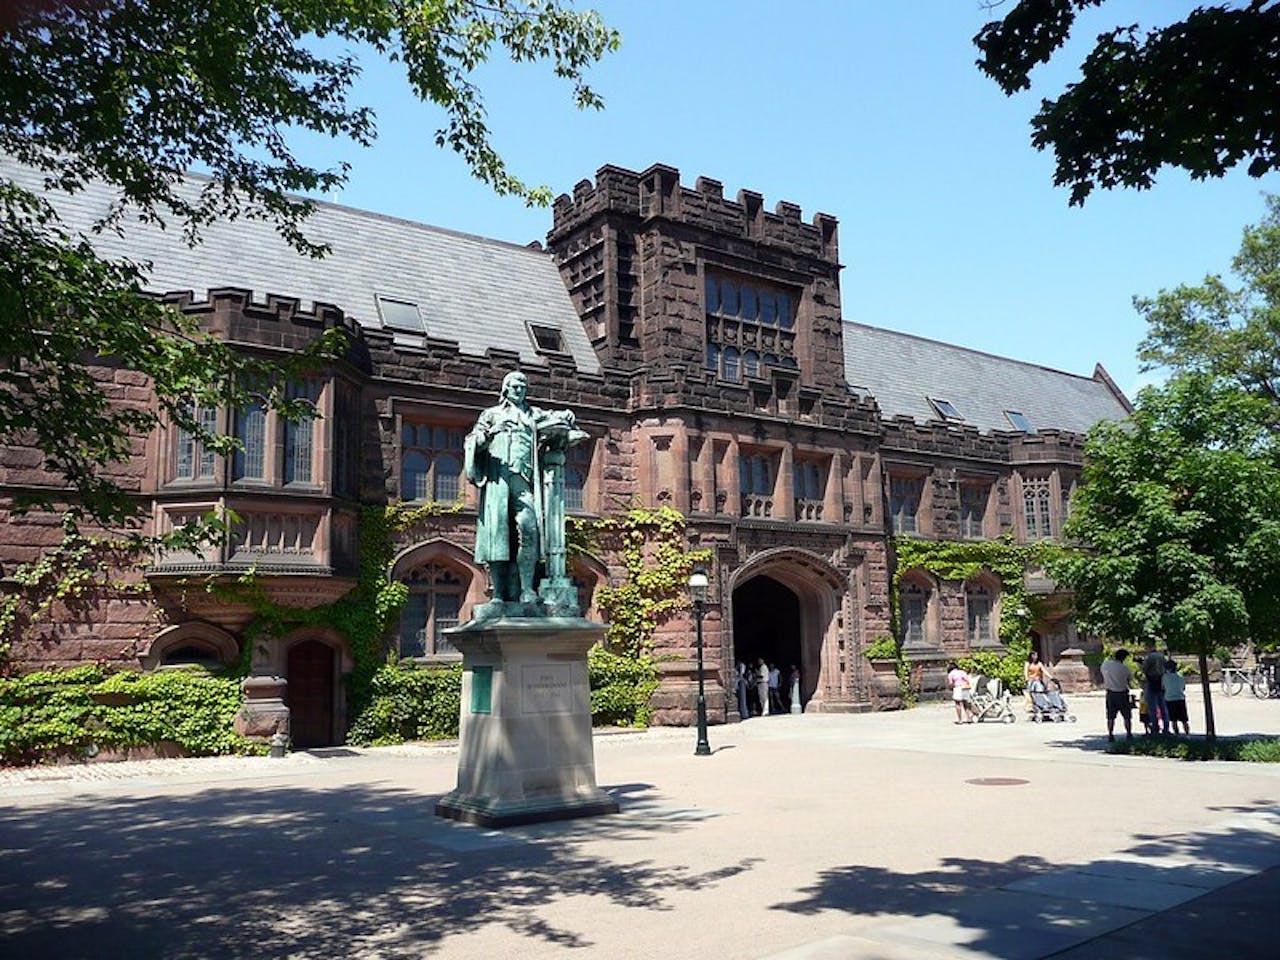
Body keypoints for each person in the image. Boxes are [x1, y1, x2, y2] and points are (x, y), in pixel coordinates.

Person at [464, 370, 580, 614]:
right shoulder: (492, 415)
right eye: (515, 386)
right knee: (497, 536)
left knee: (529, 529)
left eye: (523, 386)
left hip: (524, 481)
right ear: (505, 389)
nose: (519, 390)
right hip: (498, 481)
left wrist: (567, 415)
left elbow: (556, 418)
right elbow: (473, 441)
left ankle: (527, 589)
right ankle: (498, 595)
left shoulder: (532, 413)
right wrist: (491, 434)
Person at [1100, 648, 1134, 743]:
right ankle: (1129, 733)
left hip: (1111, 693)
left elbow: (1102, 672)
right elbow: (1129, 680)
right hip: (1122, 693)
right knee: (1127, 716)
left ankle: (1110, 734)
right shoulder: (1125, 668)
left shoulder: (1106, 664)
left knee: (1110, 716)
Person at [1141, 647, 1170, 735]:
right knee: (1163, 706)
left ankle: (1155, 727)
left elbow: (1144, 669)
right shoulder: (1162, 657)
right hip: (1161, 681)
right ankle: (1166, 727)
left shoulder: (1149, 658)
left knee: (1152, 707)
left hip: (1151, 681)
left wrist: (1141, 665)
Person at [1164, 658, 1190, 735]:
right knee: (1184, 720)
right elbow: (1183, 688)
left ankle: (1176, 734)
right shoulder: (1181, 676)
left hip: (1169, 699)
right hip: (1180, 698)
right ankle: (1187, 733)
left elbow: (1162, 687)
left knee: (1173, 720)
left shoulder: (1164, 677)